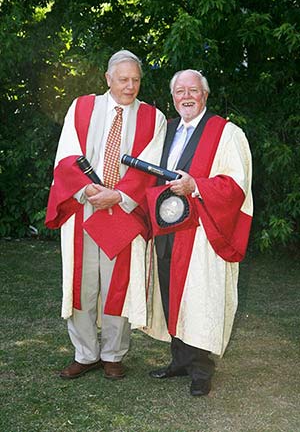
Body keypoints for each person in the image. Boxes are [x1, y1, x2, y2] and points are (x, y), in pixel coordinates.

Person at [45, 50, 166, 380]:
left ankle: (113, 353)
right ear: (108, 78)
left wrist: (119, 195)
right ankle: (85, 353)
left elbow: (149, 167)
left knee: (118, 284)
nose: (130, 87)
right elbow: (67, 154)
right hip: (84, 206)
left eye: (136, 80)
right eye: (124, 79)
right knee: (82, 283)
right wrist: (87, 191)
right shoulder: (82, 107)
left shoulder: (152, 118)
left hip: (123, 209)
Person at [145, 69, 253, 396]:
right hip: (166, 226)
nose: (186, 96)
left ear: (205, 95)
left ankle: (201, 370)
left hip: (202, 231)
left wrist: (196, 185)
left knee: (199, 297)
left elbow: (236, 185)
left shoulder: (226, 133)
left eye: (193, 90)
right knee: (170, 293)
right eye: (180, 91)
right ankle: (178, 360)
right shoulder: (166, 129)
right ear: (173, 97)